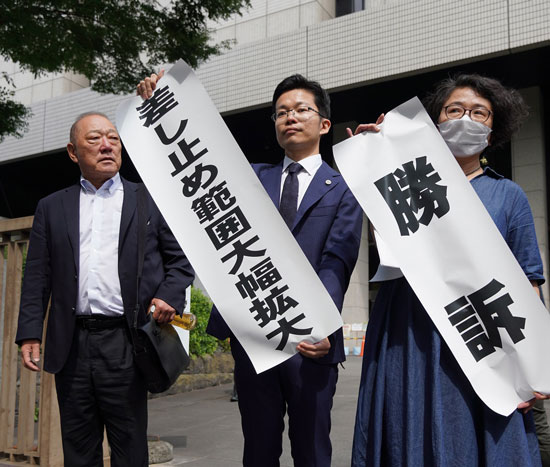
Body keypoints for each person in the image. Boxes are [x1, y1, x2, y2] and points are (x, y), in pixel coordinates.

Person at [137, 72, 364, 466]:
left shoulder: (343, 187)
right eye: (280, 113)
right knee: (258, 452)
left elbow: (337, 261)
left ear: (324, 124)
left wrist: (321, 323)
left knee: (312, 452)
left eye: (301, 109)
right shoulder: (250, 179)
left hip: (311, 345)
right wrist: (161, 106)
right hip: (254, 340)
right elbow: (196, 160)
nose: (289, 117)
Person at [351, 74, 547, 466]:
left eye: (480, 113)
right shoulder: (406, 186)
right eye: (453, 110)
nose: (465, 119)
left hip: (480, 339)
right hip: (411, 333)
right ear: (435, 125)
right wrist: (372, 158)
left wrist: (534, 363)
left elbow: (529, 280)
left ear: (491, 133)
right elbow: (383, 238)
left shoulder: (507, 194)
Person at [15, 112, 194, 467]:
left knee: (129, 448)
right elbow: (36, 275)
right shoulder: (52, 207)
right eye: (94, 139)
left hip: (127, 342)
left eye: (113, 137)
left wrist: (168, 296)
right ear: (73, 151)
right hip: (72, 344)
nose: (107, 145)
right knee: (78, 451)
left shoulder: (149, 199)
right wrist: (29, 333)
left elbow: (181, 260)